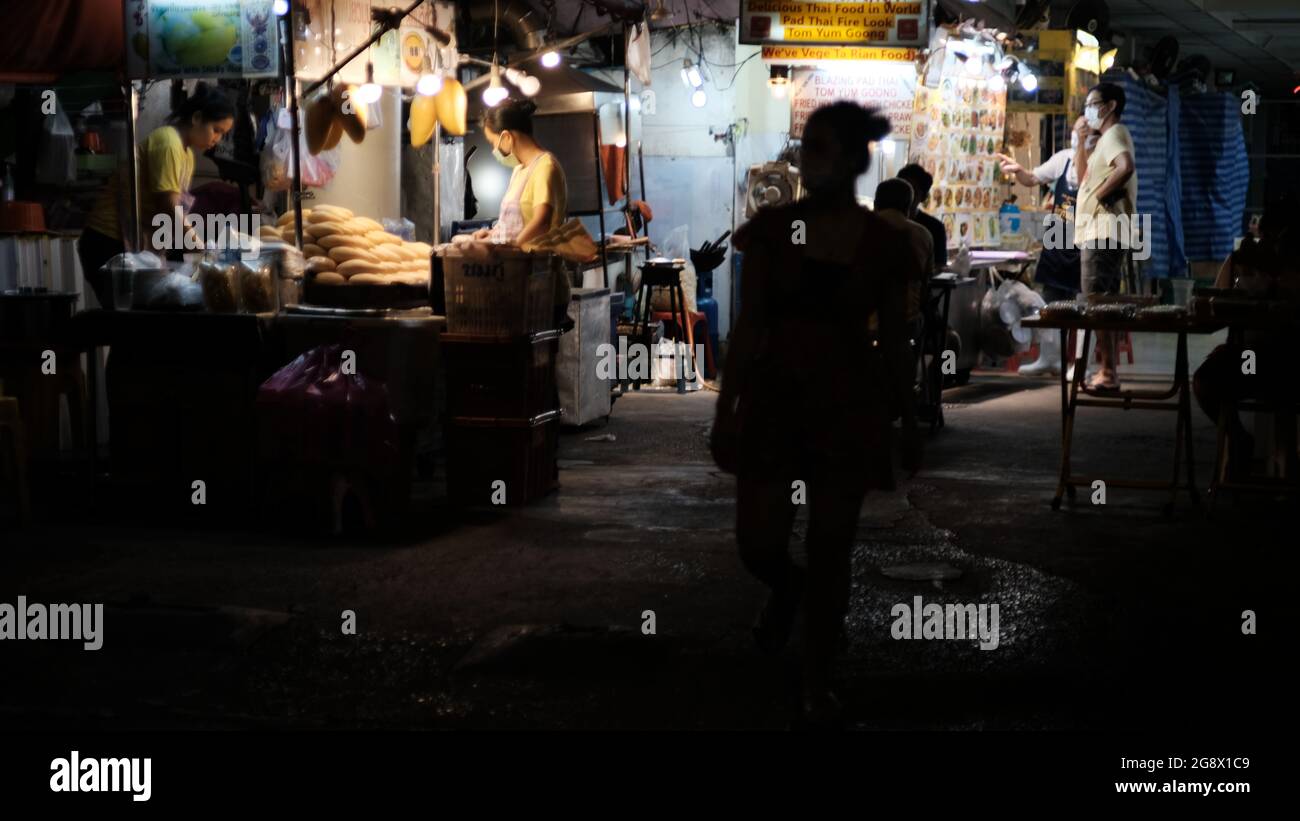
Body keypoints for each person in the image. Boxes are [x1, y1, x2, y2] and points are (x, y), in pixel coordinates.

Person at [710, 102, 921, 726]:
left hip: (849, 401)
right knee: (758, 543)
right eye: (811, 147)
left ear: (855, 160)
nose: (815, 159)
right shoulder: (775, 232)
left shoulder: (882, 241)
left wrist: (907, 418)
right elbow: (748, 327)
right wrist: (726, 410)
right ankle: (789, 589)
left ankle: (817, 677)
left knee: (833, 546)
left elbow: (899, 338)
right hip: (776, 399)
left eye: (827, 148)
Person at [80, 82, 235, 308]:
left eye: (223, 134)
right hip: (107, 240)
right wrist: (202, 249)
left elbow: (172, 215)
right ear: (197, 118)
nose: (217, 139)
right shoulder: (168, 142)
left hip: (128, 241)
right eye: (217, 130)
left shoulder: (187, 155)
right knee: (129, 319)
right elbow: (169, 207)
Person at [1193, 194, 1300, 476]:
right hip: (1251, 358)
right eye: (1266, 237)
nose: (1270, 244)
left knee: (1284, 390)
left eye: (1276, 238)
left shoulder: (1290, 270)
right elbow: (1213, 304)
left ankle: (1285, 464)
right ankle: (1238, 438)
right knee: (1207, 380)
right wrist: (1238, 263)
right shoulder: (1249, 264)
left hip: (1287, 360)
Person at [996, 116, 1094, 376]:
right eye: (1076, 131)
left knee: (1084, 306)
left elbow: (1085, 182)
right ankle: (1049, 358)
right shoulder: (1062, 158)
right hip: (1057, 237)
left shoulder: (1099, 160)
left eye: (1083, 133)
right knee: (1049, 303)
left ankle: (1080, 364)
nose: (1077, 137)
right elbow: (1031, 179)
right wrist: (1018, 170)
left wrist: (1084, 148)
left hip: (1085, 240)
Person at [471, 97, 570, 319]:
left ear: (506, 137)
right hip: (519, 283)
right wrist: (494, 234)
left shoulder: (546, 166)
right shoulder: (519, 171)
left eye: (492, 143)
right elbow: (514, 220)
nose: (493, 150)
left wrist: (511, 247)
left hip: (543, 286)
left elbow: (541, 221)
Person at [1074, 83, 1138, 391]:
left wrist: (1101, 195)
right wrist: (1081, 143)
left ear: (1109, 106)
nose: (1088, 110)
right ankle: (1108, 370)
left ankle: (1108, 372)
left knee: (1097, 303)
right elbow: (1081, 179)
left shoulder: (1114, 134)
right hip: (1100, 232)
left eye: (1092, 104)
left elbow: (1125, 167)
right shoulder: (1103, 140)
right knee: (1104, 304)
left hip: (1103, 232)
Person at [873, 177, 934, 322]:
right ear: (908, 208)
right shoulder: (924, 235)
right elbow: (926, 285)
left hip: (864, 325)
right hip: (906, 324)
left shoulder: (859, 228)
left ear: (875, 205)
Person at [896, 163, 946, 272]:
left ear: (923, 197)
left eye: (913, 191)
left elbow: (939, 265)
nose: (908, 195)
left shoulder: (935, 228)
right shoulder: (882, 224)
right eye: (903, 189)